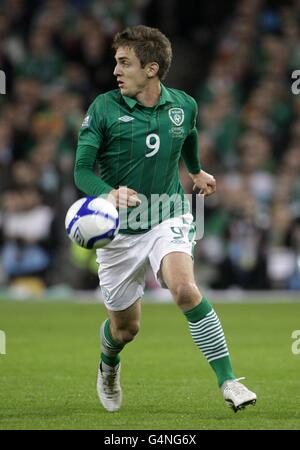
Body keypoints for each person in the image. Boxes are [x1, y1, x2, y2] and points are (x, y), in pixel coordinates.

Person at [74, 25, 257, 413]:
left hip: (166, 212)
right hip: (118, 232)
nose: (115, 71)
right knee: (126, 330)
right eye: (116, 62)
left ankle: (229, 382)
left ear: (152, 69)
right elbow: (81, 171)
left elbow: (187, 134)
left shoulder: (184, 104)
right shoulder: (103, 108)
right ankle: (108, 365)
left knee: (185, 290)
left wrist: (196, 171)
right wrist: (108, 192)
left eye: (124, 63)